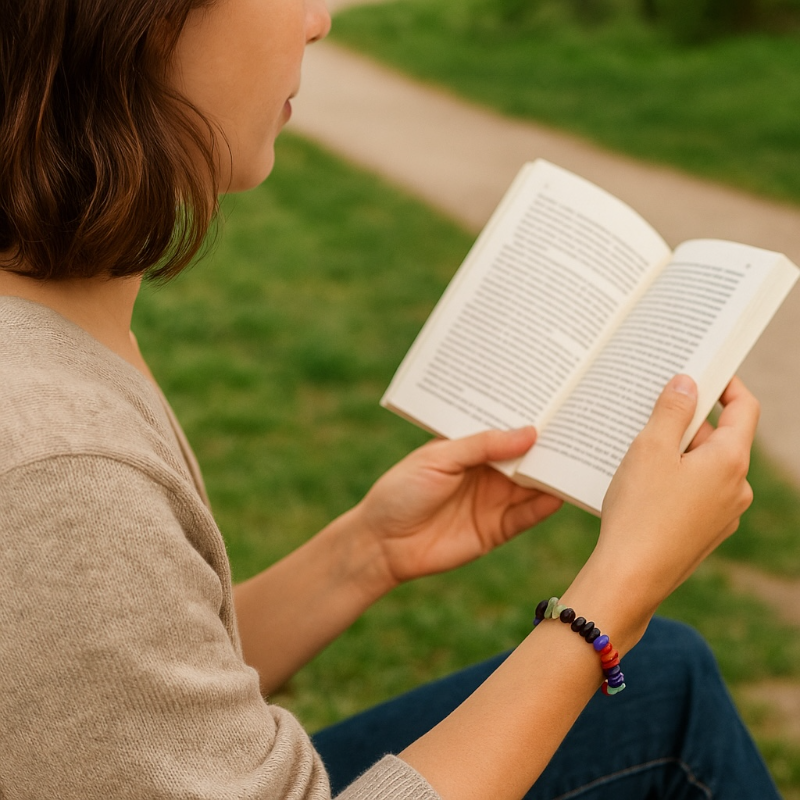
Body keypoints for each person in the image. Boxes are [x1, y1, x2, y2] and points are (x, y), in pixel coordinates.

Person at [0, 0, 782, 798]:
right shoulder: (61, 459)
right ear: (130, 21)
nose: (317, 19)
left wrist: (364, 554)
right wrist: (618, 590)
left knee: (668, 684)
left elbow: (109, 708)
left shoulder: (59, 331)